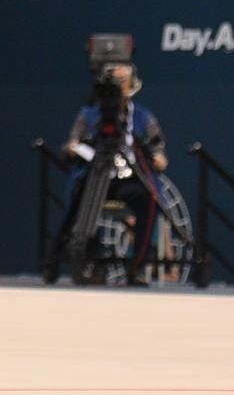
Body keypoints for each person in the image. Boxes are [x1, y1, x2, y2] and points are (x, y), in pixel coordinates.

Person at [47, 63, 168, 286]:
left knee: (148, 198)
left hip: (130, 177)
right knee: (82, 197)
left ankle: (138, 266)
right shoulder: (89, 115)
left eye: (123, 82)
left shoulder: (143, 117)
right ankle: (90, 260)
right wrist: (73, 148)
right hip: (96, 172)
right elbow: (71, 143)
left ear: (132, 85)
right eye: (114, 82)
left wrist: (157, 157)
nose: (119, 88)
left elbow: (158, 151)